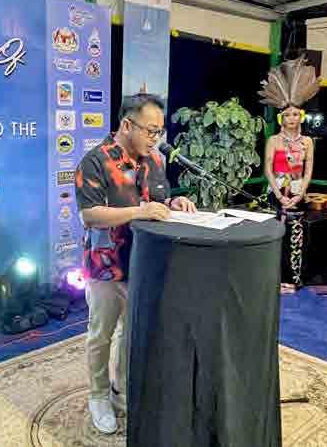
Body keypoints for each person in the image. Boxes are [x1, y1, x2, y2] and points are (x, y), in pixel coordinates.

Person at [75, 93, 197, 434]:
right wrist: (139, 212)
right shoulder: (95, 161)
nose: (155, 138)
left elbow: (158, 201)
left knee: (133, 334)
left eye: (159, 132)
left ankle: (122, 391)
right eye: (150, 130)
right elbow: (90, 215)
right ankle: (98, 396)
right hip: (106, 268)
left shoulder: (155, 160)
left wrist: (175, 202)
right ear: (127, 125)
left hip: (145, 266)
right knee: (100, 336)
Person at [260, 58, 320, 288]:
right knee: (273, 237)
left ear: (301, 116)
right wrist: (279, 195)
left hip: (297, 193)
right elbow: (267, 168)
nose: (292, 118)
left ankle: (290, 280)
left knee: (295, 239)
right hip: (276, 192)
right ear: (281, 118)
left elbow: (308, 168)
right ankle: (271, 279)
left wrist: (300, 193)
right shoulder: (273, 140)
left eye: (295, 114)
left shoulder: (307, 141)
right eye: (287, 115)